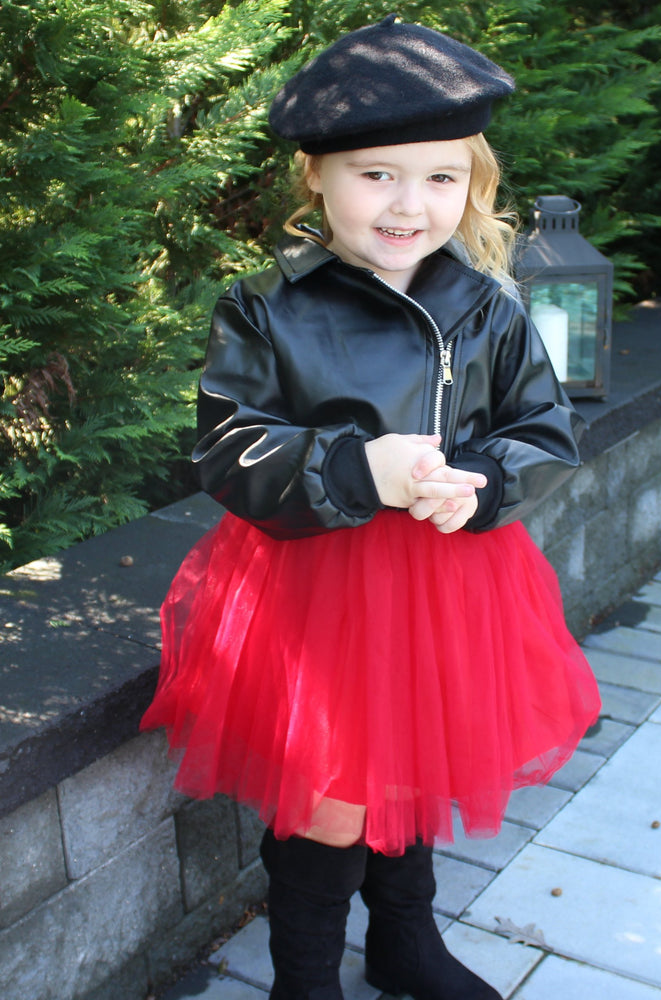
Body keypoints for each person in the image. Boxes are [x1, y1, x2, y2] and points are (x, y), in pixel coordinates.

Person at [141, 15, 600, 1000]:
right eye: (376, 173)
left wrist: (480, 480)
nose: (408, 203)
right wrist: (360, 469)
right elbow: (229, 449)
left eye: (439, 177)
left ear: (470, 183)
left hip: (453, 575)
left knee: (419, 761)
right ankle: (303, 979)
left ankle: (404, 940)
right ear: (316, 174)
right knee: (334, 798)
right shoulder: (264, 307)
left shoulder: (489, 307)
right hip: (318, 586)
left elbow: (544, 434)